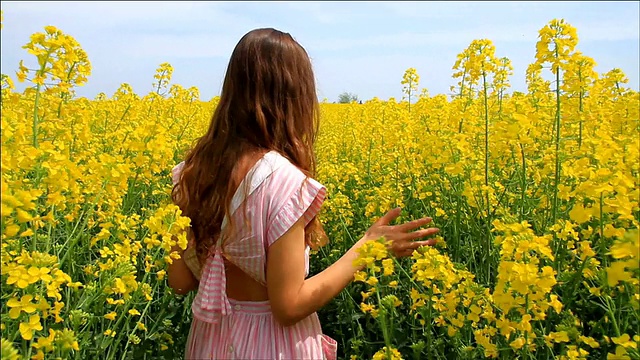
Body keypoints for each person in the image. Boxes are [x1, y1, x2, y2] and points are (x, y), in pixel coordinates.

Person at [167, 28, 440, 360]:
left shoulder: (191, 173)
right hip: (270, 346)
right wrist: (366, 248)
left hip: (210, 341)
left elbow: (180, 280)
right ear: (294, 95)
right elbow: (289, 305)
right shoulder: (282, 181)